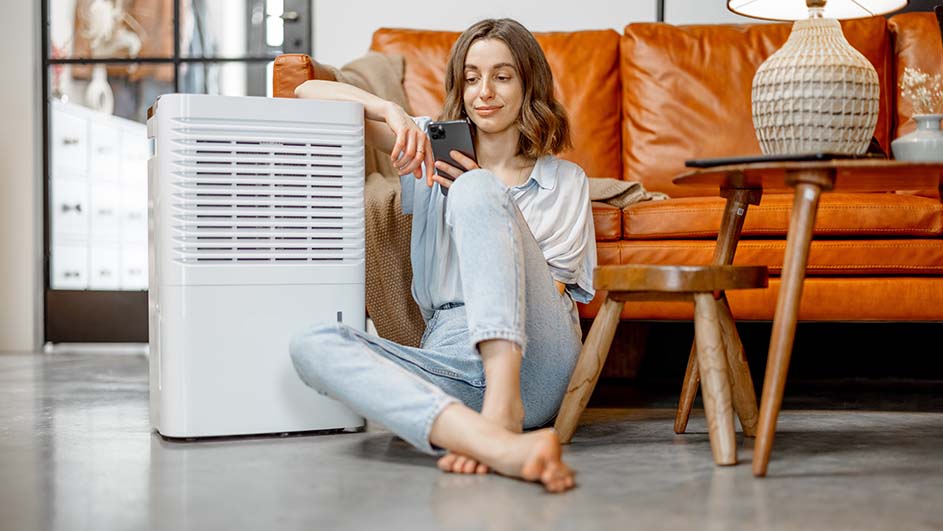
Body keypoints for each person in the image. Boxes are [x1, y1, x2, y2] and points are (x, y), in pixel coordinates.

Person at [290, 18, 595, 493]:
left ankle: (500, 411)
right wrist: (390, 110)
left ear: (528, 82)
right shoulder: (426, 151)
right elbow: (305, 94)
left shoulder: (565, 180)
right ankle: (492, 442)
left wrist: (485, 195)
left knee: (476, 188)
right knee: (312, 346)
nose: (484, 92)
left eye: (502, 75)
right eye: (471, 77)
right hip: (449, 353)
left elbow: (551, 292)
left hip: (535, 357)